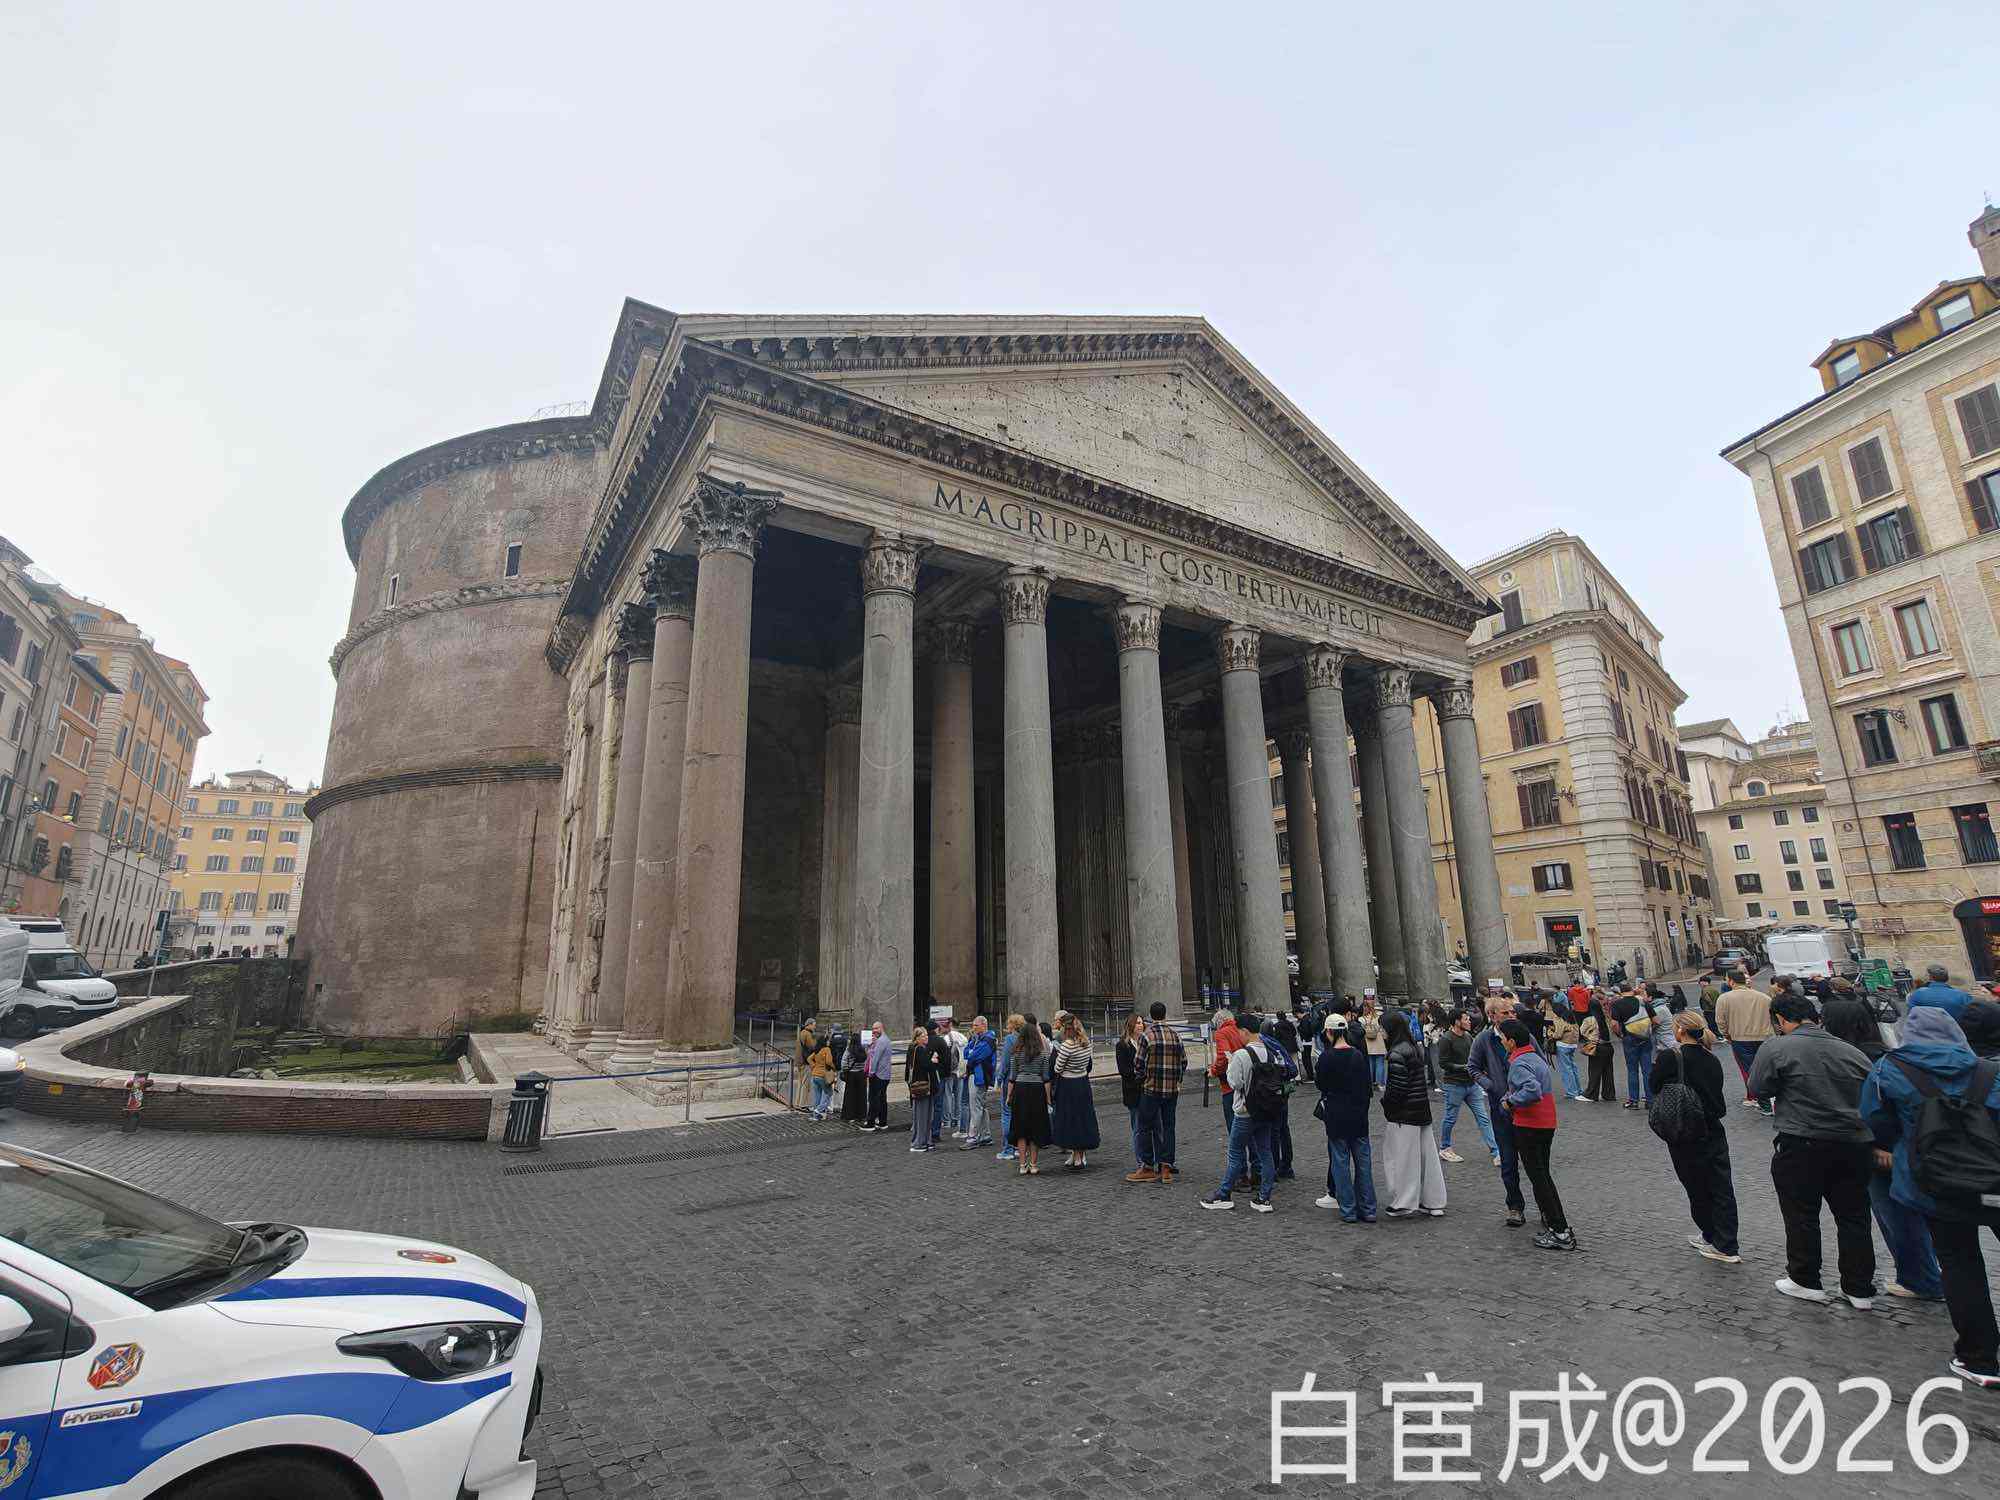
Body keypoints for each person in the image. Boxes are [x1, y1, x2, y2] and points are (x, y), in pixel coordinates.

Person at [1860, 1008, 2000, 1389]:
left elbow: (1874, 1121)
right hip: (1994, 1178)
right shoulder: (1988, 1070)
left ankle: (1981, 1358)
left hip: (1935, 1181)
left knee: (1960, 1265)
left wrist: (1904, 1142)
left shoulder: (1889, 1069)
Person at [1749, 994, 1878, 1308]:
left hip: (1802, 1142)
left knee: (1801, 1215)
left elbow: (1759, 1088)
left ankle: (1805, 1279)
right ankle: (1859, 1288)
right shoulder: (1853, 1053)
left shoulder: (1776, 1047)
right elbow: (1874, 1097)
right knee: (1854, 1217)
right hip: (1854, 1143)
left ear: (1780, 1020)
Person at [1824, 995, 1943, 1300]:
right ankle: (1932, 1274)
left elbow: (1872, 1112)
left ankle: (1921, 1279)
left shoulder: (1856, 1059)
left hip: (1882, 1151)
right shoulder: (1889, 1053)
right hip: (1918, 1148)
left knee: (1898, 1218)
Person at [1651, 1010, 1740, 1264]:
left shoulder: (1670, 1057)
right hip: (1713, 1128)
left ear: (1680, 1030)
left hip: (1685, 1130)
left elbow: (1655, 1085)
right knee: (1721, 1187)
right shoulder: (1711, 1058)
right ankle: (1725, 1240)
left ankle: (1714, 1237)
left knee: (1696, 1187)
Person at [1498, 1019, 1575, 1250]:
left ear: (1511, 1042)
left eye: (1502, 1038)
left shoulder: (1519, 1063)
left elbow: (1532, 1090)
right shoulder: (1534, 1058)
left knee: (1539, 1179)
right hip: (1545, 1123)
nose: (1501, 1042)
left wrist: (1510, 1102)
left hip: (1530, 1125)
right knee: (1544, 1177)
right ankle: (1558, 1226)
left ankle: (1559, 1230)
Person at [1201, 1013, 1285, 1213]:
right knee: (1265, 1152)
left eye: (1239, 1031)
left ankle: (1224, 1194)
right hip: (1266, 1110)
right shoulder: (1271, 1051)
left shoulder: (1241, 1054)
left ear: (1245, 1031)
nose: (1238, 1035)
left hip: (1246, 1111)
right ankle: (1264, 1197)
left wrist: (1230, 1064)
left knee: (1235, 1152)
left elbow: (1235, 1083)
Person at [1379, 1011, 1446, 1218]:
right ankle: (1433, 1201)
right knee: (1428, 1158)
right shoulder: (1415, 1048)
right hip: (1421, 1110)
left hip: (1404, 1113)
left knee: (1402, 1159)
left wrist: (1387, 1104)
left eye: (1383, 1028)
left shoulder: (1397, 1052)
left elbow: (1397, 1088)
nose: (1381, 1032)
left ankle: (1405, 1202)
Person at [1472, 996, 1529, 1226]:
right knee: (1508, 1161)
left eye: (1513, 1012)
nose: (1512, 1015)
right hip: (1501, 1109)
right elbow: (1472, 1067)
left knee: (1534, 1162)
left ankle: (1546, 1207)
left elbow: (1538, 1060)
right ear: (1492, 1016)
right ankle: (1514, 1206)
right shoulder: (1483, 1039)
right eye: (1506, 1013)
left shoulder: (1523, 1033)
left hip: (1526, 1108)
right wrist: (1491, 1086)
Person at [1314, 1016, 1377, 1222]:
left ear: (1329, 1032)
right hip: (1358, 1116)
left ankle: (1348, 1210)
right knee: (1363, 1163)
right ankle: (1368, 1209)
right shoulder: (1358, 1055)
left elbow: (1321, 1085)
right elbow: (1368, 1088)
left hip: (1336, 1115)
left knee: (1340, 1163)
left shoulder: (1326, 1058)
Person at [1128, 1001, 1188, 1184]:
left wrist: (1144, 1078)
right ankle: (1166, 1167)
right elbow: (1184, 1062)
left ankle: (1147, 1166)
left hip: (1152, 1089)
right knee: (1168, 1128)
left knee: (1145, 1127)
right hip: (1171, 1091)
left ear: (1151, 1016)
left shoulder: (1147, 1036)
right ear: (1165, 1014)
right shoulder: (1175, 1035)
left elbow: (1138, 1064)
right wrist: (1177, 1080)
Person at [1436, 1008, 1498, 1165]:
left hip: (1471, 1084)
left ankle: (1495, 1150)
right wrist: (1464, 1067)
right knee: (1450, 1118)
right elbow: (1443, 1063)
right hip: (1454, 1084)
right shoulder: (1446, 1039)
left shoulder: (1468, 1037)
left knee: (1483, 1117)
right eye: (1465, 1019)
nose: (1469, 1021)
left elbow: (1474, 1057)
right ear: (1457, 1022)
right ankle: (1445, 1147)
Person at [1716, 969, 1776, 1116]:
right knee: (1769, 1068)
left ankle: (1765, 1105)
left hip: (1741, 1039)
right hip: (1765, 1037)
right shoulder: (1764, 997)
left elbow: (1720, 1021)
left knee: (1751, 1071)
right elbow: (1773, 1018)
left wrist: (1727, 1035)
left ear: (1731, 981)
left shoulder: (1724, 998)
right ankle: (1775, 1099)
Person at [1049, 1013, 1101, 1170]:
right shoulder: (1087, 1044)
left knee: (1071, 1119)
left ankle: (1077, 1154)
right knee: (1082, 1118)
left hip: (1068, 1084)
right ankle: (1077, 1154)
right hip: (1082, 1083)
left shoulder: (1067, 1045)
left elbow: (1057, 1068)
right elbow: (1087, 1065)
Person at [1005, 1015, 1052, 1175]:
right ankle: (1033, 1164)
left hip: (1020, 1089)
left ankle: (1022, 1165)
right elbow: (1046, 1078)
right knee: (1035, 1128)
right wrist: (1048, 1099)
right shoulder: (1043, 1054)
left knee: (1021, 1128)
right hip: (1037, 1090)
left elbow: (1012, 1077)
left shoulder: (1016, 1053)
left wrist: (1008, 1096)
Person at [1260, 1014, 1300, 1180]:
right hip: (1285, 1089)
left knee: (1273, 1131)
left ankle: (1274, 1167)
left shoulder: (1264, 1044)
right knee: (1284, 1129)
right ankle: (1287, 1166)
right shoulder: (1278, 1044)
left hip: (1273, 1091)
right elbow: (1293, 1070)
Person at [1608, 983, 1656, 1111]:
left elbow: (1614, 1025)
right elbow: (1656, 1020)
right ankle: (1650, 1101)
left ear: (1621, 992)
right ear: (1631, 990)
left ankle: (1634, 1101)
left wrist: (1621, 1035)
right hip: (1645, 1039)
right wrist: (1648, 1030)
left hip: (1629, 1039)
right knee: (1647, 1070)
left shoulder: (1617, 1004)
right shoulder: (1642, 1002)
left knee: (1632, 1070)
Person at [1208, 1007, 1251, 1130]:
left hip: (1229, 1083)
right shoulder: (1239, 1030)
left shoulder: (1221, 1033)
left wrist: (1213, 1070)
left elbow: (1223, 1057)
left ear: (1219, 1021)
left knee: (1234, 1125)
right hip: (1247, 1079)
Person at [961, 1016, 997, 1149]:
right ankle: (985, 1135)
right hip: (977, 1075)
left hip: (979, 1077)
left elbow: (973, 1056)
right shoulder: (978, 1038)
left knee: (976, 1107)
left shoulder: (987, 1040)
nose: (973, 1028)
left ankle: (973, 1137)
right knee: (981, 1106)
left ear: (984, 1025)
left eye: (976, 1025)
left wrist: (971, 1053)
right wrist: (971, 1053)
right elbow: (966, 1053)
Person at [1543, 991, 1585, 1100]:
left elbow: (1558, 1034)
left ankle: (1571, 1091)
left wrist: (1550, 1033)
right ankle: (1578, 1089)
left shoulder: (1558, 1019)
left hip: (1563, 1045)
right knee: (1572, 1067)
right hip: (1572, 1045)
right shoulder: (1571, 1017)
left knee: (1566, 1070)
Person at [1116, 1013, 1145, 1168]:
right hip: (1133, 1091)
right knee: (1138, 1127)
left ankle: (1150, 1157)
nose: (1140, 1025)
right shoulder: (1122, 1045)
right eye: (1138, 1023)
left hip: (1147, 1090)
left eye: (1142, 1023)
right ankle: (1141, 1160)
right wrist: (1141, 1074)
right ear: (1131, 1025)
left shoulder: (1146, 1042)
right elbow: (1124, 1070)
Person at [994, 1011, 1024, 1161]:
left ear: (1012, 1025)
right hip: (1023, 1080)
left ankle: (1008, 1149)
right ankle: (1019, 1146)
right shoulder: (1026, 1039)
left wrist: (998, 1079)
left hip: (1010, 1080)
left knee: (1007, 1114)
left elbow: (1005, 1063)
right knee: (1019, 1114)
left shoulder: (1010, 1039)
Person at [903, 1026, 939, 1152]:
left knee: (923, 1115)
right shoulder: (920, 1050)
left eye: (926, 1035)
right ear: (917, 1038)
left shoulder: (912, 1048)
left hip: (918, 1086)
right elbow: (927, 1066)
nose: (926, 1037)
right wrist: (933, 1060)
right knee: (924, 1116)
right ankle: (921, 1142)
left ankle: (924, 1141)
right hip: (924, 1087)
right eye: (923, 1036)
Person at [1580, 991, 1616, 1104]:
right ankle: (1609, 1094)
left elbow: (1583, 1032)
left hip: (1598, 1046)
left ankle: (1591, 1094)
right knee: (1608, 1072)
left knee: (1594, 1071)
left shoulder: (1590, 1019)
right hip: (1609, 1046)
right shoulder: (1607, 1016)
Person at [1907, 963, 1978, 1021]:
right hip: (1956, 1034)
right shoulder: (1963, 996)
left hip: (1927, 1035)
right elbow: (1973, 1017)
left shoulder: (1917, 994)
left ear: (1930, 977)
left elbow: (1911, 1017)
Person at [864, 1022, 893, 1131]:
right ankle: (882, 1122)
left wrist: (871, 1072)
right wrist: (871, 1045)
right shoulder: (885, 1040)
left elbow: (875, 1059)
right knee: (881, 1099)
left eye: (876, 1028)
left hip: (878, 1074)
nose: (874, 1030)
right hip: (884, 1074)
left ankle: (870, 1123)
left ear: (882, 1028)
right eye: (873, 1028)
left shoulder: (881, 1041)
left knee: (874, 1099)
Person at [839, 1028, 869, 1124]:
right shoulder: (863, 1050)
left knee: (850, 1096)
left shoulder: (849, 1050)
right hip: (861, 1075)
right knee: (861, 1095)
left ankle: (849, 1115)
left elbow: (843, 1062)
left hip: (851, 1074)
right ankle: (861, 1115)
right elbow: (866, 1061)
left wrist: (846, 1070)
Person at [806, 1032, 838, 1121]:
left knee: (818, 1096)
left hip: (814, 1075)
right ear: (825, 1042)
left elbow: (809, 1059)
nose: (829, 1042)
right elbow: (828, 1061)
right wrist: (833, 1067)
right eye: (828, 1041)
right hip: (823, 1075)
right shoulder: (826, 1049)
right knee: (829, 1093)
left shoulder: (817, 1050)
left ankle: (816, 1116)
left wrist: (814, 1065)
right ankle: (818, 1110)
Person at [1360, 993, 1388, 1087]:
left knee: (1370, 1062)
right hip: (1379, 1042)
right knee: (1380, 1063)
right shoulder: (1378, 1017)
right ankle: (1380, 1083)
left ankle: (1371, 1082)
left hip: (1367, 1042)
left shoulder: (1361, 1019)